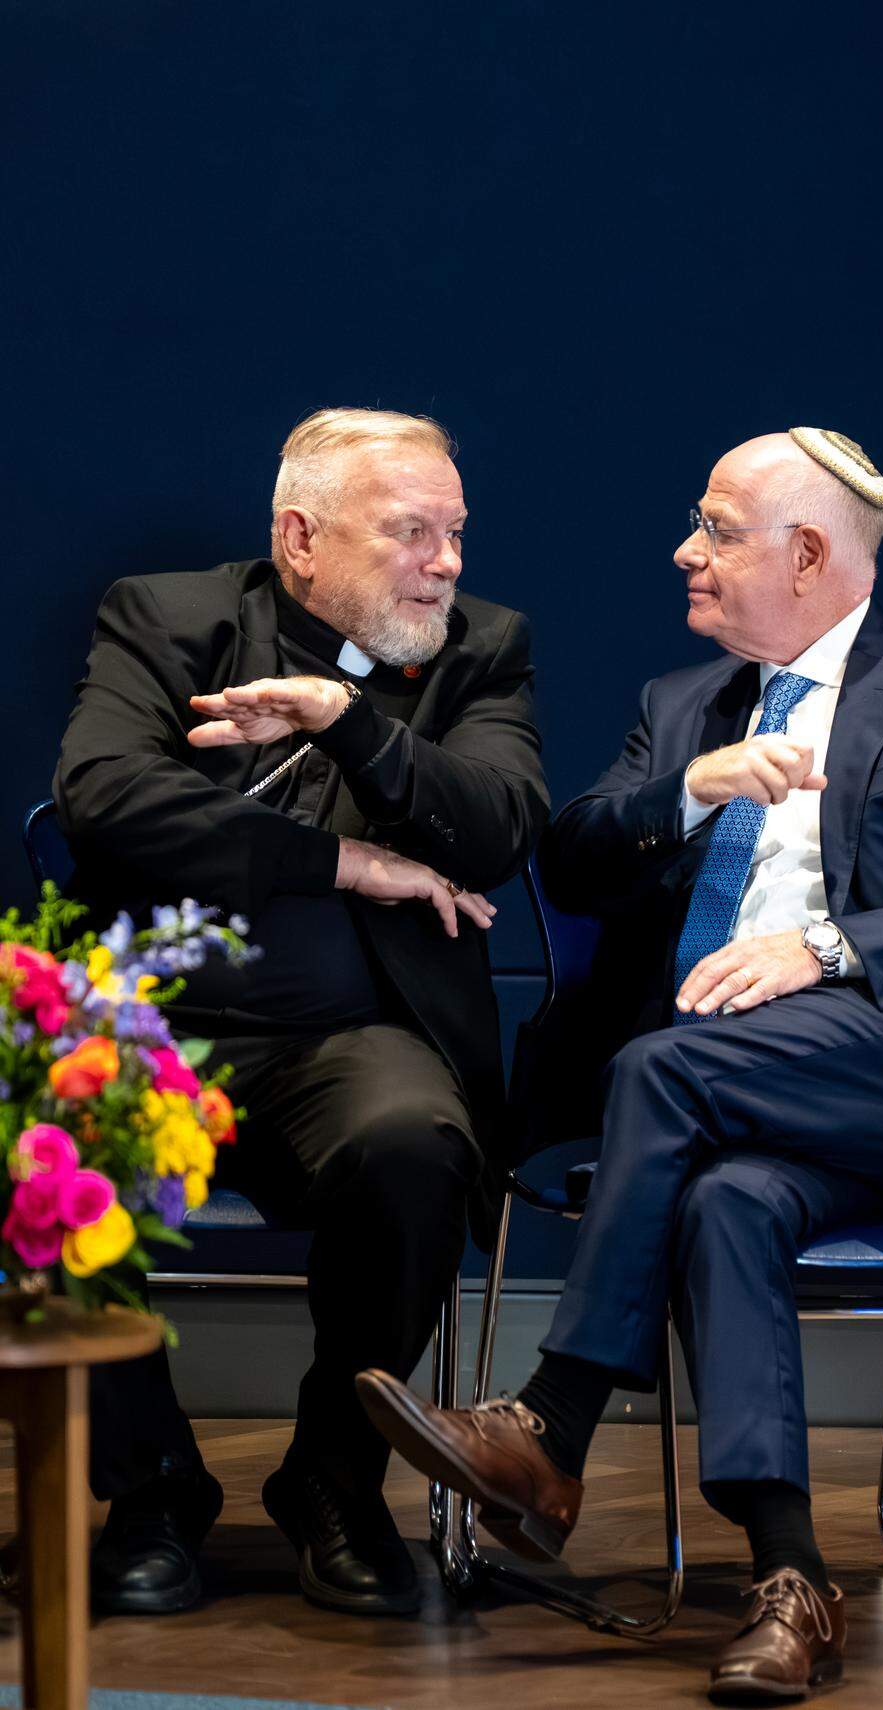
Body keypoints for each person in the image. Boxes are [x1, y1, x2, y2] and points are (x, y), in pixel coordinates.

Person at [354, 427, 883, 1701]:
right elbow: (566, 860)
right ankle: (792, 1585)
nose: (686, 548)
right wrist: (691, 790)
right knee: (726, 1199)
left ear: (806, 552)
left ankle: (550, 1424)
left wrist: (825, 945)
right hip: (735, 1105)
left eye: (719, 528)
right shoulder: (685, 707)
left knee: (666, 1071)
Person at [53, 407, 548, 1617]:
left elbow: (495, 825)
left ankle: (333, 1479)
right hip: (157, 1032)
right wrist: (346, 864)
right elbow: (105, 797)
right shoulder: (169, 619)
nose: (448, 562)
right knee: (39, 1149)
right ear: (301, 537)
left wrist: (352, 724)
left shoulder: (479, 648)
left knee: (419, 1147)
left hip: (357, 1037)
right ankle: (152, 1488)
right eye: (413, 533)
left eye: (457, 532)